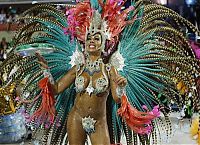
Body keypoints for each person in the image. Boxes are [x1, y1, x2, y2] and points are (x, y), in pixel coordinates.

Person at [2, 0, 200, 144]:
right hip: (76, 117)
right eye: (88, 38)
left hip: (98, 121)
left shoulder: (110, 69)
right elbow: (55, 90)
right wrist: (45, 69)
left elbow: (115, 98)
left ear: (103, 43)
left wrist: (121, 88)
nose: (91, 41)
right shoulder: (77, 67)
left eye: (96, 38)